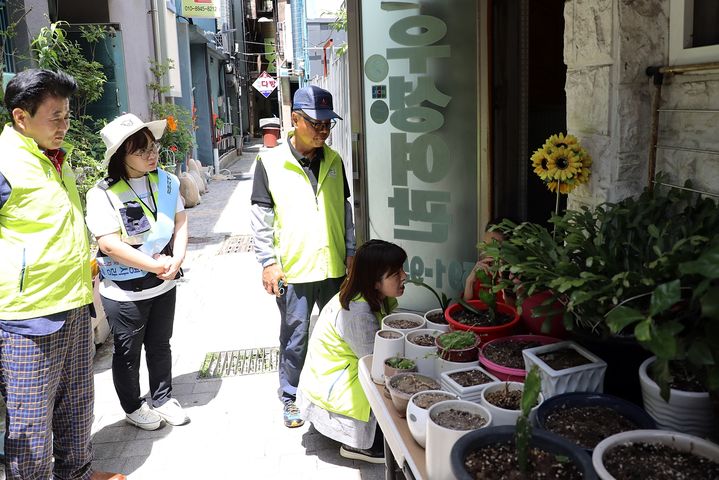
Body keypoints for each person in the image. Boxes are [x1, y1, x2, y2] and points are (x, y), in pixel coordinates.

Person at [0, 69, 124, 480]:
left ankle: (78, 473)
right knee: (31, 429)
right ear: (21, 117)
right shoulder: (5, 162)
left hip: (74, 303)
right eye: (55, 117)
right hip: (26, 317)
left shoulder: (54, 158)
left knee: (76, 408)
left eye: (67, 115)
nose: (64, 125)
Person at [251, 85, 355, 428]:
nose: (324, 131)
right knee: (296, 336)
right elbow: (262, 218)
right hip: (294, 269)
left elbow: (345, 210)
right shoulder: (270, 162)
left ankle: (330, 393)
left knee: (337, 333)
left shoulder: (336, 161)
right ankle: (291, 396)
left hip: (334, 266)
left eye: (328, 124)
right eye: (316, 124)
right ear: (295, 120)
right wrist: (268, 262)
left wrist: (352, 253)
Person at [85, 113, 189, 432]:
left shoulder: (168, 182)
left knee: (160, 344)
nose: (151, 154)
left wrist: (177, 259)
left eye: (152, 146)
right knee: (127, 352)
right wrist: (157, 264)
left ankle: (162, 397)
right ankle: (132, 406)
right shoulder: (102, 193)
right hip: (124, 291)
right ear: (120, 156)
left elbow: (181, 222)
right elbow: (110, 244)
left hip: (163, 284)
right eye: (140, 150)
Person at [297, 239, 407, 463]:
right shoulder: (358, 314)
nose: (404, 276)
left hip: (333, 379)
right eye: (396, 273)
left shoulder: (368, 295)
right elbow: (377, 366)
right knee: (394, 391)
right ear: (375, 282)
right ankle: (358, 445)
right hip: (337, 391)